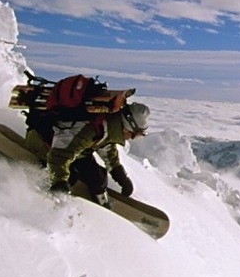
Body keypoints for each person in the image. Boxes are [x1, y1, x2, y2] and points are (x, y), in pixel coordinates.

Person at [22, 74, 150, 204]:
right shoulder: (90, 129)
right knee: (71, 176)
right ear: (127, 128)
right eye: (136, 134)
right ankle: (43, 200)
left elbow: (105, 146)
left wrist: (119, 175)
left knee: (98, 179)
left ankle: (100, 202)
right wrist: (59, 183)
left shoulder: (108, 126)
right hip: (41, 141)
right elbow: (59, 155)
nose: (133, 139)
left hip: (73, 149)